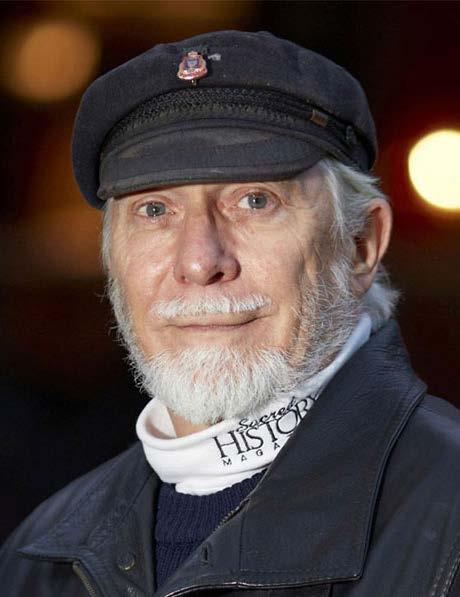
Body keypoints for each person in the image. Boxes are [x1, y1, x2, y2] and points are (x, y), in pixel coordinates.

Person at [1, 30, 459, 597]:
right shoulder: (39, 556)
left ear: (360, 243)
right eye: (154, 209)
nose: (200, 262)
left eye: (255, 200)